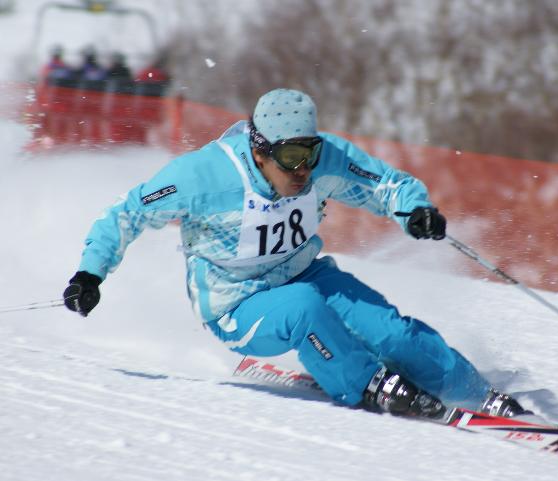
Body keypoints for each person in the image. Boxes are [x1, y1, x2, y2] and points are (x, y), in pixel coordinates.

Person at [62, 88, 529, 419]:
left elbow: (387, 185)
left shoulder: (321, 162)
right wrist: (90, 274)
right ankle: (365, 383)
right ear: (260, 151)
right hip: (236, 304)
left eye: (310, 151)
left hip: (304, 273)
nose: (303, 168)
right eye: (290, 156)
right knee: (304, 309)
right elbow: (126, 214)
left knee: (391, 331)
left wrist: (415, 211)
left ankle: (473, 391)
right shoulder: (204, 177)